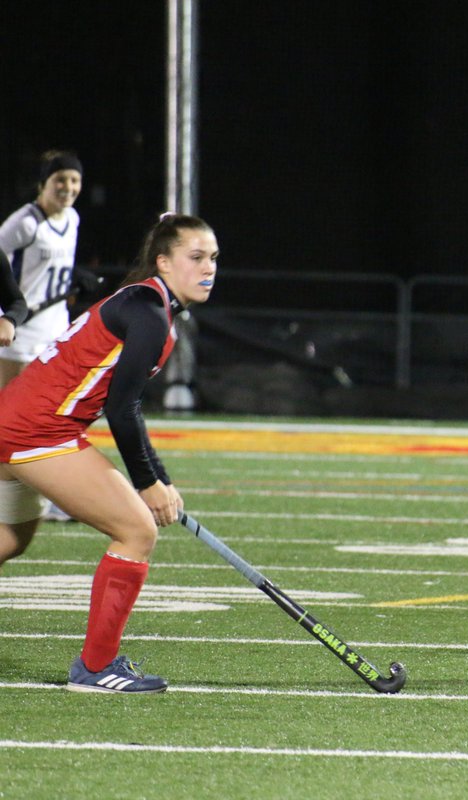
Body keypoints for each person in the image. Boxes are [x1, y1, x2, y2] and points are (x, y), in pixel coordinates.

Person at [0, 213, 218, 693]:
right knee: (136, 531)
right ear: (163, 262)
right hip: (38, 430)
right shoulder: (149, 313)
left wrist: (162, 478)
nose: (208, 269)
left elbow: (124, 408)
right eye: (196, 257)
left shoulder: (146, 305)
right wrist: (148, 484)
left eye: (214, 259)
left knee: (10, 540)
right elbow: (123, 409)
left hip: (20, 421)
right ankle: (96, 668)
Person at [0, 150, 94, 522]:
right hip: (20, 336)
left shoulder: (71, 218)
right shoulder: (25, 223)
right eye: (60, 179)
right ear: (44, 183)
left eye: (74, 180)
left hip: (55, 336)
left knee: (52, 417)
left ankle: (54, 494)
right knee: (9, 418)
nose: (68, 187)